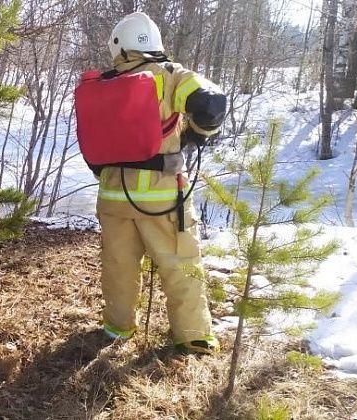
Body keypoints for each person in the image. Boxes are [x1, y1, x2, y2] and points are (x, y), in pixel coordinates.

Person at [91, 12, 227, 354]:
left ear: (118, 45)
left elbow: (93, 146)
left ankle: (117, 328)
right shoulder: (169, 75)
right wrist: (197, 134)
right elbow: (212, 103)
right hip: (163, 197)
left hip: (112, 198)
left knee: (118, 268)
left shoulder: (104, 83)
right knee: (181, 265)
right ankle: (193, 335)